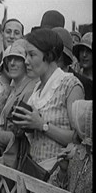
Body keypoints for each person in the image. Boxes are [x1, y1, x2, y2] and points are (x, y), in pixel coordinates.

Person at [12, 28, 84, 170]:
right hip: (35, 172)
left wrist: (42, 125)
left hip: (60, 176)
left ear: (49, 55)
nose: (26, 61)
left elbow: (80, 139)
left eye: (32, 55)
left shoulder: (70, 85)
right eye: (26, 55)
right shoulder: (37, 88)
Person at [0, 39, 38, 162]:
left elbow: (20, 135)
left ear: (26, 62)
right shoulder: (13, 89)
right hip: (7, 157)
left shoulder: (29, 90)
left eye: (18, 59)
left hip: (19, 161)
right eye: (9, 59)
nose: (12, 63)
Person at [57, 100, 92, 193]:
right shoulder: (77, 155)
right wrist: (63, 171)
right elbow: (65, 190)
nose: (74, 130)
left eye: (77, 125)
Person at [53, 27, 92, 100]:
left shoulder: (82, 83)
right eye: (82, 50)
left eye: (89, 51)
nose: (84, 55)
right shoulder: (41, 82)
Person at [0, 18, 24, 86]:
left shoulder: (26, 64)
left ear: (22, 37)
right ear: (2, 35)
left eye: (16, 33)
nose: (12, 36)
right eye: (8, 32)